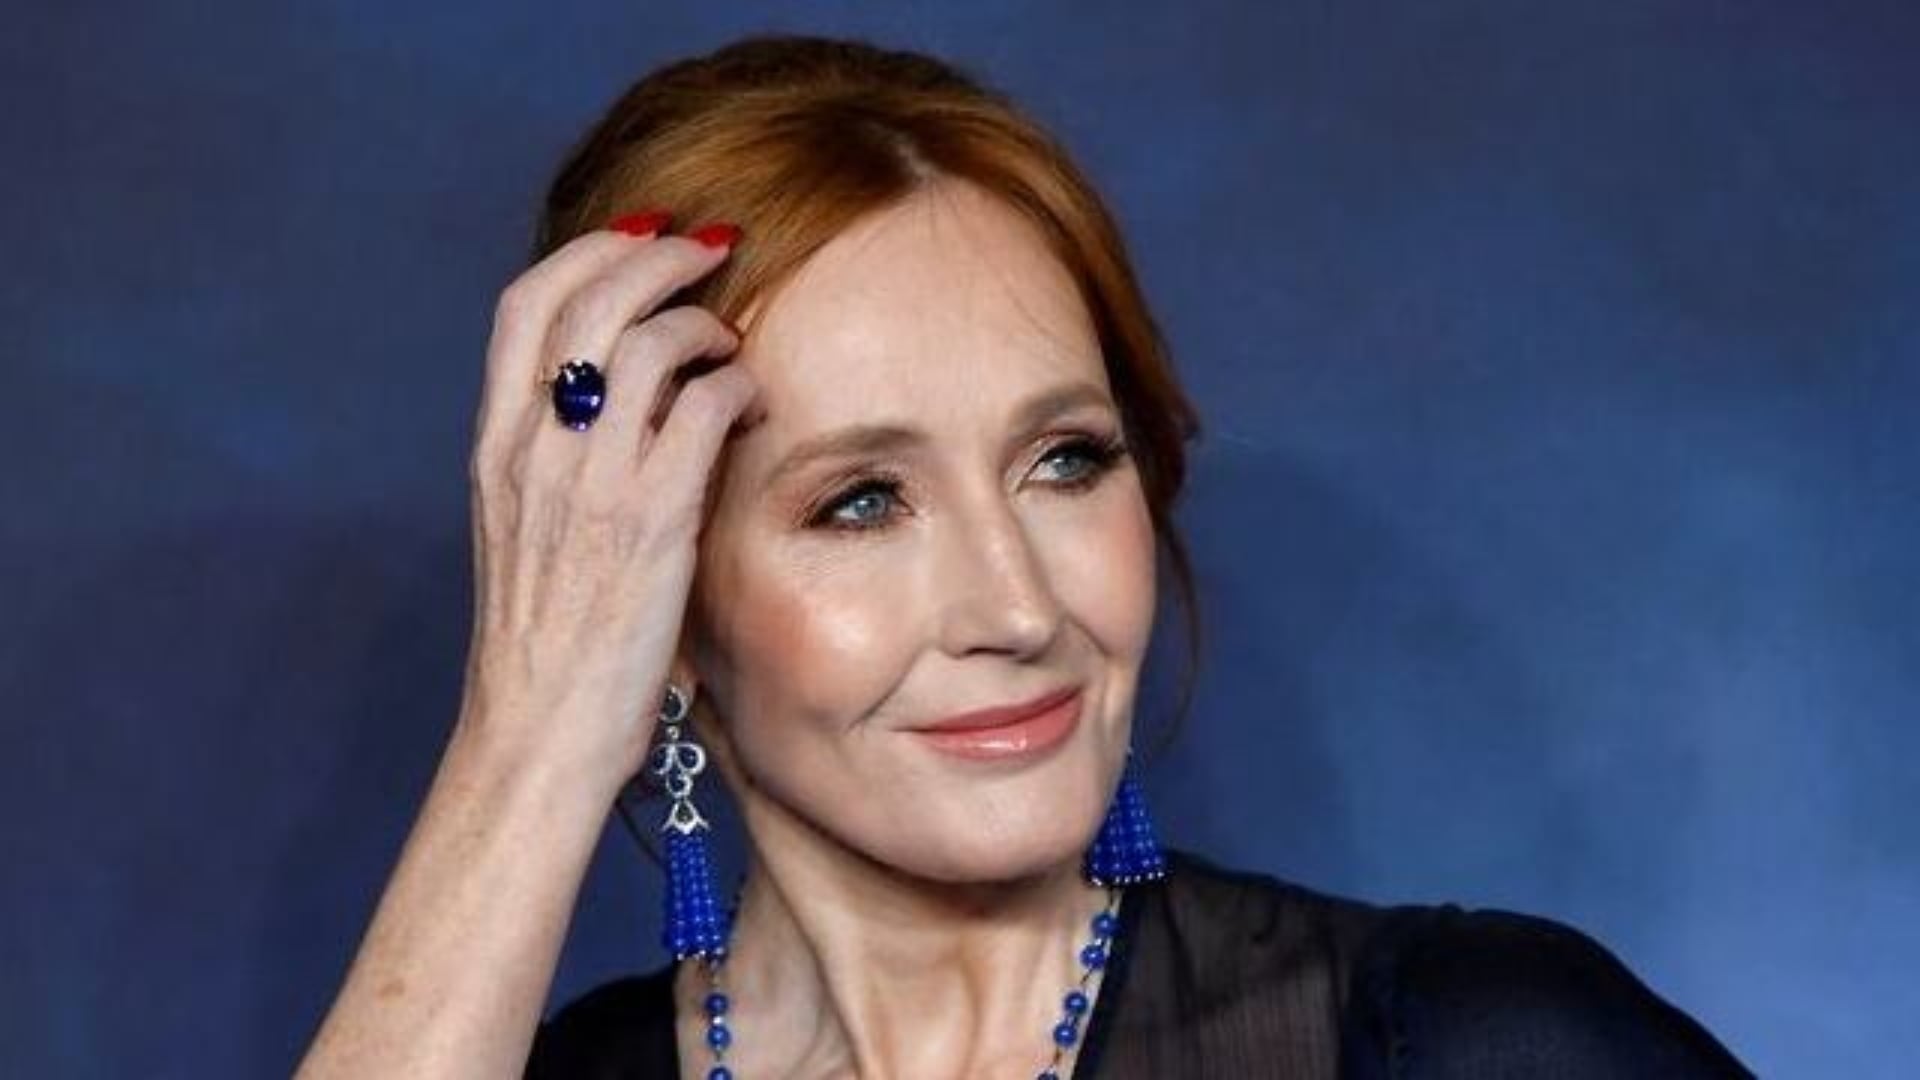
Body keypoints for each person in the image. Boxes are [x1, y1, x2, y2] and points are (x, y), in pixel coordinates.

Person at [295, 33, 1755, 1079]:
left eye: (1065, 460)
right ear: (652, 600)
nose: (1017, 604)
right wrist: (528, 745)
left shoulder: (1475, 1042)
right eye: (862, 501)